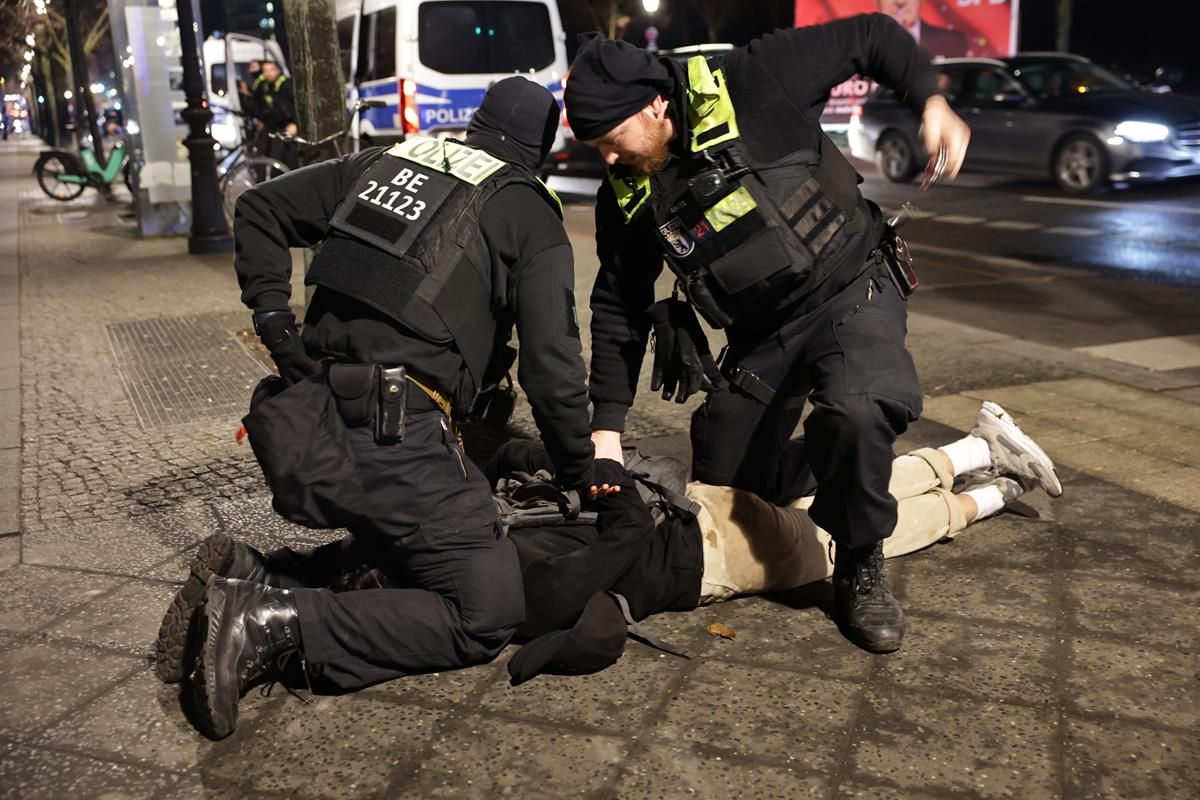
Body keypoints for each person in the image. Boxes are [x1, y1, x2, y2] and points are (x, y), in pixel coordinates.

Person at [153, 77, 622, 740]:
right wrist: (581, 469)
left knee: (410, 550)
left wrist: (277, 328)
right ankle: (270, 625)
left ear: (476, 125)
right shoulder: (528, 209)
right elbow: (552, 370)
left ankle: (261, 574)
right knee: (485, 608)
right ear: (540, 151)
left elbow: (258, 208)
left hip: (311, 426)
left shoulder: (388, 163)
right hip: (395, 435)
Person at [561, 15, 974, 653]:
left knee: (857, 410)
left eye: (612, 139)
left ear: (657, 104)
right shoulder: (628, 190)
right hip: (764, 333)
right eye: (595, 148)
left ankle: (862, 558)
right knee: (730, 490)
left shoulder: (754, 80)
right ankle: (848, 464)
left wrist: (933, 101)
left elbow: (871, 35)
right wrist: (606, 432)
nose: (608, 159)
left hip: (850, 287)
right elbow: (618, 306)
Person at [158, 399, 1062, 690]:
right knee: (859, 511)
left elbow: (609, 565)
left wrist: (603, 487)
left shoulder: (505, 592)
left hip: (712, 548)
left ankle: (987, 472)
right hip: (702, 519)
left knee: (875, 534)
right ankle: (984, 457)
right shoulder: (482, 551)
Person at [877, 0, 969, 59]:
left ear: (921, 1)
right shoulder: (863, 43)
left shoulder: (952, 43)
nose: (900, 2)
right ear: (877, 2)